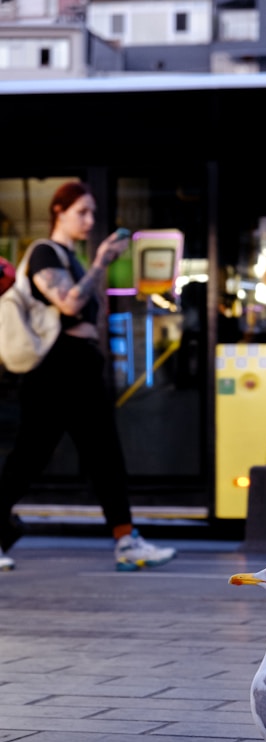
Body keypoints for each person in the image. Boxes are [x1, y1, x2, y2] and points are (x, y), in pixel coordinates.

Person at [0, 180, 176, 573]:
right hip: (57, 366)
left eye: (93, 212)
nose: (90, 219)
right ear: (58, 211)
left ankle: (126, 540)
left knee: (102, 453)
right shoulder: (45, 252)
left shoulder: (70, 258)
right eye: (82, 211)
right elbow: (69, 301)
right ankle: (127, 540)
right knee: (31, 457)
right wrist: (101, 262)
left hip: (80, 363)